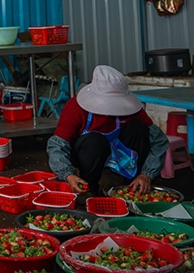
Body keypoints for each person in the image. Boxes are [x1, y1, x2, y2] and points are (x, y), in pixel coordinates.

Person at [47, 65, 169, 194]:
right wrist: (67, 174)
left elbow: (159, 141)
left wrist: (147, 174)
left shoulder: (133, 109)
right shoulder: (75, 107)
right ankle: (89, 189)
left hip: (121, 155)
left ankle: (134, 186)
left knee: (138, 128)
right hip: (87, 154)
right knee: (94, 140)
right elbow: (57, 146)